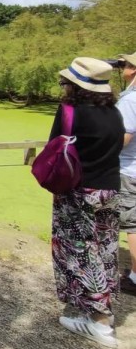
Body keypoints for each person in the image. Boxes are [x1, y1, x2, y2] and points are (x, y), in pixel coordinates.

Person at [52, 57, 124, 348]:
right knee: (105, 249)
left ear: (74, 85)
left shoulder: (70, 111)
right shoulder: (114, 113)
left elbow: (55, 148)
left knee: (82, 252)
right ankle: (100, 308)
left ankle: (98, 321)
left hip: (78, 191)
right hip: (109, 189)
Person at [117, 51, 136, 297]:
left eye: (125, 65)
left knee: (132, 225)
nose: (122, 68)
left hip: (129, 169)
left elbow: (124, 136)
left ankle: (134, 277)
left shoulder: (131, 101)